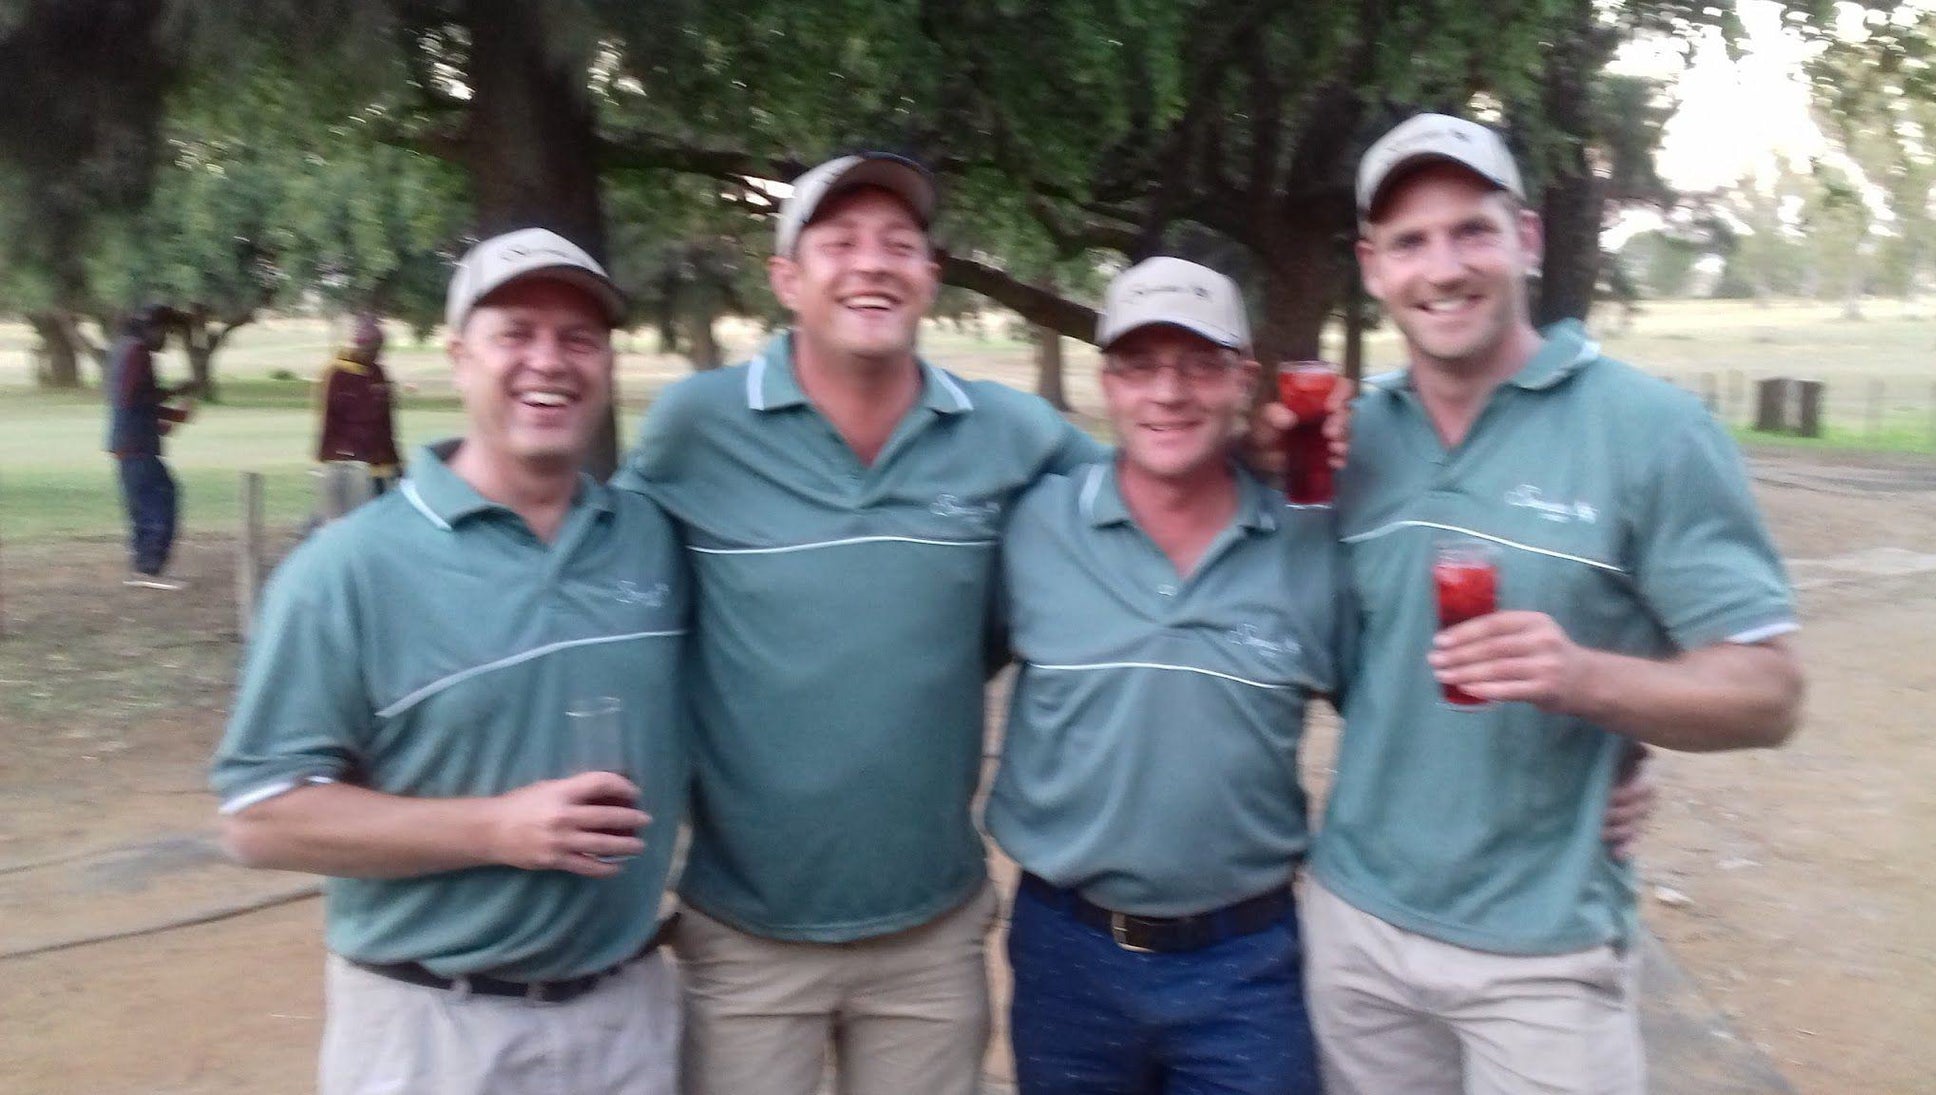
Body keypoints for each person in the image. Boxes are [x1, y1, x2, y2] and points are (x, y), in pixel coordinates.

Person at [1301, 113, 1804, 1094]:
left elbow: (1767, 693)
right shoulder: (1354, 443)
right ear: (1371, 267)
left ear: (1524, 238)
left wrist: (1586, 681)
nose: (1441, 268)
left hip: (1542, 961)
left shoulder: (1648, 429)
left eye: (1470, 231)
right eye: (1409, 242)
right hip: (1355, 933)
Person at [616, 152, 1104, 1095]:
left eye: (899, 244)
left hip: (931, 934)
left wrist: (1265, 450)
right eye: (837, 243)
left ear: (930, 274)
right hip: (747, 939)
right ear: (787, 279)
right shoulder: (695, 428)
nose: (871, 264)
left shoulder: (1011, 432)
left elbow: (1155, 498)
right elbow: (593, 574)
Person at [211, 228, 689, 1095]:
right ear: (459, 355)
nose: (551, 360)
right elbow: (259, 816)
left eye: (579, 337)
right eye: (516, 332)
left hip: (629, 1019)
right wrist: (494, 828)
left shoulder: (650, 540)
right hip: (433, 1032)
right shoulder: (347, 570)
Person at [987, 257, 1339, 1094]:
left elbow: (1398, 701)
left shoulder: (1310, 545)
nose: (1169, 393)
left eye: (1200, 364)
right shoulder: (1034, 526)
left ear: (1244, 380)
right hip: (1067, 950)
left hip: (1249, 959)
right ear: (1107, 382)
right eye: (1140, 364)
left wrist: (1609, 762)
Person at [104, 304, 195, 589]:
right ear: (153, 328)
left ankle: (143, 566)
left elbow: (136, 399)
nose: (166, 341)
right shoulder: (137, 352)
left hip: (128, 442)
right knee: (162, 497)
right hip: (137, 443)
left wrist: (172, 411)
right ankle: (150, 568)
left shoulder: (123, 348)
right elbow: (136, 400)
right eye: (166, 333)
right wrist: (173, 406)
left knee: (142, 505)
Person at [315, 312, 403, 498]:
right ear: (359, 345)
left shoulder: (378, 372)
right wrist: (332, 455)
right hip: (347, 465)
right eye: (372, 349)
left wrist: (396, 460)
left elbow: (387, 421)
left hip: (380, 465)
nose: (377, 355)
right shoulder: (336, 373)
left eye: (379, 349)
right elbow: (328, 418)